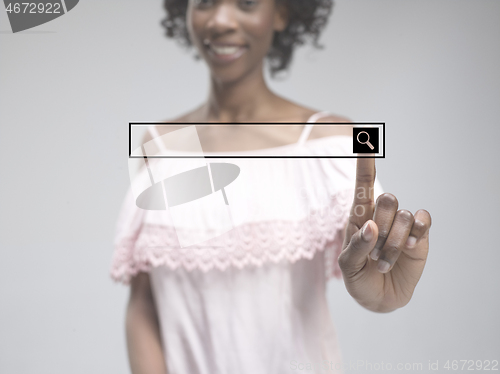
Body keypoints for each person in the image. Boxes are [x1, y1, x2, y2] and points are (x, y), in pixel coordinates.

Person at [110, 0, 432, 373]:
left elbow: (378, 280)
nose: (220, 20)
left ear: (282, 13)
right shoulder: (164, 145)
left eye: (246, 3)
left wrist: (381, 291)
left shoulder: (333, 140)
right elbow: (145, 302)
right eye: (204, 2)